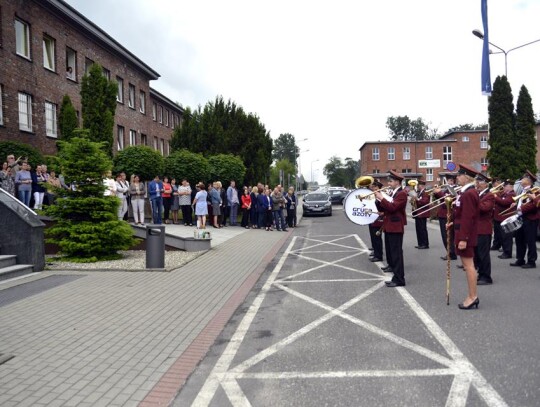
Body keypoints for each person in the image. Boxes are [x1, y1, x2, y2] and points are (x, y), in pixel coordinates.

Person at [451, 164, 480, 309]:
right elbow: (462, 215)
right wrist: (452, 223)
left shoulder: (469, 194)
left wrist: (463, 238)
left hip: (465, 235)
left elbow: (468, 218)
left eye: (459, 175)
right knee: (468, 265)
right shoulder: (466, 192)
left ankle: (473, 296)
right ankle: (471, 295)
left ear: (466, 177)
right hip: (462, 232)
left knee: (469, 266)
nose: (457, 177)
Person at [375, 170, 407, 287]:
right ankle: (395, 275)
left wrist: (382, 198)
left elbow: (393, 208)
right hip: (389, 225)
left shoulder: (402, 193)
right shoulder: (394, 193)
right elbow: (386, 209)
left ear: (397, 182)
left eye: (391, 181)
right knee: (391, 252)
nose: (389, 183)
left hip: (395, 226)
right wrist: (378, 199)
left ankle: (399, 279)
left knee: (396, 254)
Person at [510, 170, 539, 269]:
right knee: (519, 239)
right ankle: (520, 259)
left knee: (530, 240)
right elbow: (521, 202)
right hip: (521, 217)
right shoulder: (522, 190)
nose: (521, 180)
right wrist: (515, 205)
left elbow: (534, 205)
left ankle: (531, 261)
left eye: (523, 178)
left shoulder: (535, 190)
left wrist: (520, 208)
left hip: (530, 219)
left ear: (528, 180)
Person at [474, 173, 495, 285]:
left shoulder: (489, 195)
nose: (477, 184)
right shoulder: (479, 195)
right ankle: (481, 274)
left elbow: (485, 208)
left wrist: (474, 199)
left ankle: (487, 277)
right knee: (477, 254)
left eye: (479, 182)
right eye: (477, 182)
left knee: (484, 254)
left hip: (484, 229)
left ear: (485, 184)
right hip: (477, 229)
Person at [433, 174, 457, 261]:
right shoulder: (446, 189)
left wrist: (439, 192)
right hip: (443, 214)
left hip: (448, 214)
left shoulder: (455, 189)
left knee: (448, 235)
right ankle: (449, 252)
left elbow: (448, 199)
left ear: (453, 181)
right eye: (447, 180)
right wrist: (435, 192)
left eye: (450, 180)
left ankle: (451, 253)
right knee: (445, 236)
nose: (448, 182)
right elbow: (440, 199)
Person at [493, 179, 515, 259]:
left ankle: (508, 252)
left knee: (507, 237)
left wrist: (495, 197)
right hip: (500, 218)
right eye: (504, 186)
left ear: (510, 186)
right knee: (502, 236)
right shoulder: (505, 193)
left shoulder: (512, 194)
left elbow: (504, 202)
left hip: (506, 218)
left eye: (506, 186)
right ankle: (505, 251)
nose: (504, 187)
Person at [368, 181, 384, 262]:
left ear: (379, 188)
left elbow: (384, 208)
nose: (374, 189)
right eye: (373, 187)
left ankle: (378, 255)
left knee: (377, 238)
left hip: (378, 220)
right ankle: (376, 252)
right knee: (374, 237)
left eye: (376, 188)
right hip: (373, 219)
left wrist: (381, 213)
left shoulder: (381, 196)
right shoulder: (374, 195)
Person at [411, 179, 430, 249]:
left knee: (422, 229)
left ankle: (425, 244)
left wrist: (416, 199)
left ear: (421, 185)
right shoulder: (419, 192)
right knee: (418, 229)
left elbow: (424, 202)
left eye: (418, 185)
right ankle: (420, 243)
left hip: (422, 213)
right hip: (418, 213)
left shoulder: (426, 192)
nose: (418, 187)